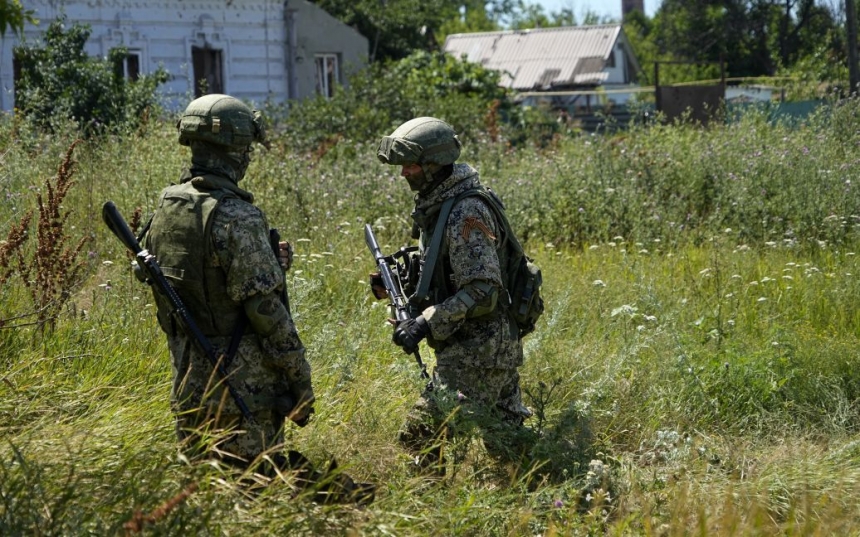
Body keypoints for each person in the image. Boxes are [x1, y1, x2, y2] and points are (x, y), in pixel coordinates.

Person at [140, 94, 371, 502]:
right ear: (237, 151)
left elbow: (157, 272)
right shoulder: (238, 217)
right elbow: (265, 311)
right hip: (241, 385)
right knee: (256, 494)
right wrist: (299, 377)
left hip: (190, 382)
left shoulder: (168, 206)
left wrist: (269, 261)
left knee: (206, 495)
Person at [373, 117, 534, 472]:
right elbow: (445, 270)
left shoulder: (464, 211)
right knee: (510, 450)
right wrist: (400, 284)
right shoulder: (439, 203)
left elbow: (482, 289)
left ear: (434, 164)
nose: (404, 174)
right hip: (483, 345)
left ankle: (424, 509)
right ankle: (533, 499)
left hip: (480, 349)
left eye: (411, 165)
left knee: (420, 438)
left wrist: (425, 322)